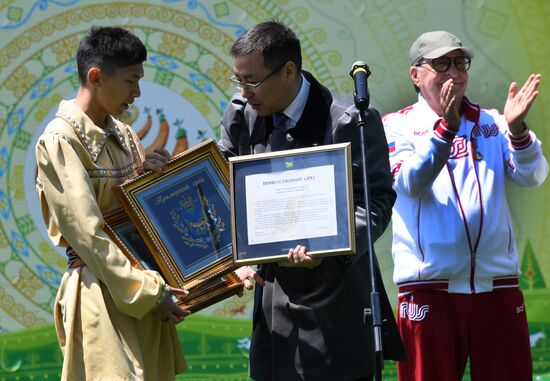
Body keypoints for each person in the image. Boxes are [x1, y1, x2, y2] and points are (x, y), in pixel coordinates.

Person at [219, 20, 405, 380]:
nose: (244, 91)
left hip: (337, 301)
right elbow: (226, 188)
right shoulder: (243, 115)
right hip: (275, 308)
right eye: (238, 80)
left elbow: (377, 199)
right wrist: (235, 256)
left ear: (289, 70)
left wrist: (330, 245)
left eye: (252, 81)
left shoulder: (350, 119)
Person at [383, 30, 548, 380]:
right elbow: (411, 183)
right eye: (441, 63)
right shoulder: (396, 126)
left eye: (460, 63)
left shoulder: (493, 122)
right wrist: (446, 129)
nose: (453, 72)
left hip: (496, 286)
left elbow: (532, 175)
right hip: (430, 289)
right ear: (416, 75)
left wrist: (518, 131)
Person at [35, 26, 190, 380]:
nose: (136, 93)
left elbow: (137, 216)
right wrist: (150, 293)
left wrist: (148, 180)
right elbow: (88, 234)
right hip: (103, 293)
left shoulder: (124, 133)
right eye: (131, 80)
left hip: (146, 289)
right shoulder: (59, 140)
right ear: (96, 77)